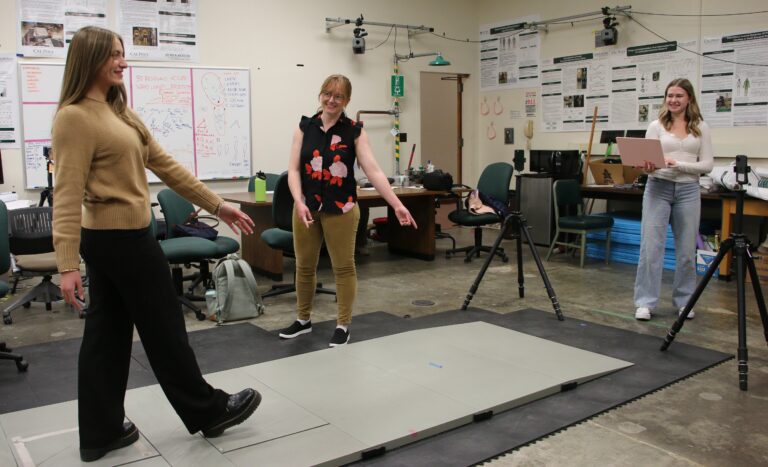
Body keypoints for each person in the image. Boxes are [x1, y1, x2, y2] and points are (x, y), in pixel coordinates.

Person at [52, 26, 260, 462]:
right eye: (113, 55)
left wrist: (217, 205)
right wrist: (66, 263)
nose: (122, 61)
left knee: (106, 336)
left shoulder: (119, 112)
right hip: (119, 240)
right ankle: (209, 410)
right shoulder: (75, 116)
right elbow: (67, 194)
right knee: (165, 327)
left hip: (118, 240)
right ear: (89, 59)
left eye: (123, 53)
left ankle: (100, 432)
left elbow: (165, 164)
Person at [279, 74, 417, 347]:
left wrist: (397, 204)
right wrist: (298, 200)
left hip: (340, 209)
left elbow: (373, 170)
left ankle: (343, 324)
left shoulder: (354, 131)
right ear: (321, 95)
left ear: (347, 101)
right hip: (307, 208)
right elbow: (293, 169)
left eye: (338, 96)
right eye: (327, 94)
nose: (332, 100)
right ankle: (303, 320)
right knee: (305, 267)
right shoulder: (304, 127)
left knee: (343, 268)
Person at [634, 78, 713, 321]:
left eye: (679, 96)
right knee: (651, 247)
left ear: (689, 98)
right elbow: (645, 164)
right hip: (658, 187)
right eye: (670, 96)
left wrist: (679, 164)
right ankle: (645, 302)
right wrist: (645, 165)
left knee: (687, 250)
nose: (673, 100)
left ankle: (685, 302)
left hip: (688, 191)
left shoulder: (700, 126)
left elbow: (707, 164)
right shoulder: (656, 125)